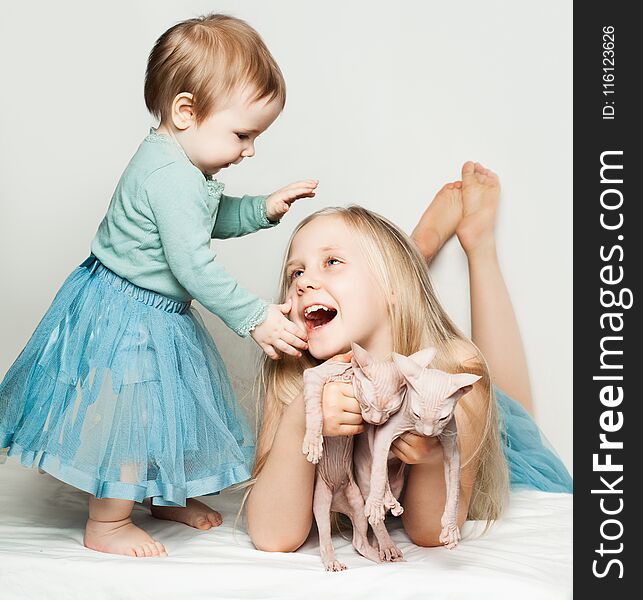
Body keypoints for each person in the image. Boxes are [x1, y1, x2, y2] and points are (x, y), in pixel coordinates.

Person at [0, 13, 317, 558]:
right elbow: (193, 263)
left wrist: (261, 209)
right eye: (243, 134)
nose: (250, 150)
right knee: (135, 412)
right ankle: (107, 523)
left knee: (168, 411)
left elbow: (205, 219)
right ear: (186, 111)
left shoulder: (183, 166)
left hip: (155, 308)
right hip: (126, 308)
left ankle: (162, 495)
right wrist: (253, 315)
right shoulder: (170, 175)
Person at [245, 161, 572, 553]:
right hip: (391, 305)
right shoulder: (291, 376)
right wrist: (302, 416)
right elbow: (272, 536)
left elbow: (429, 533)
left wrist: (432, 460)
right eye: (295, 273)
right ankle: (416, 251)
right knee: (383, 303)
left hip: (471, 425)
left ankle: (477, 244)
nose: (303, 283)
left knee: (509, 409)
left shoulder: (454, 367)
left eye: (331, 262)